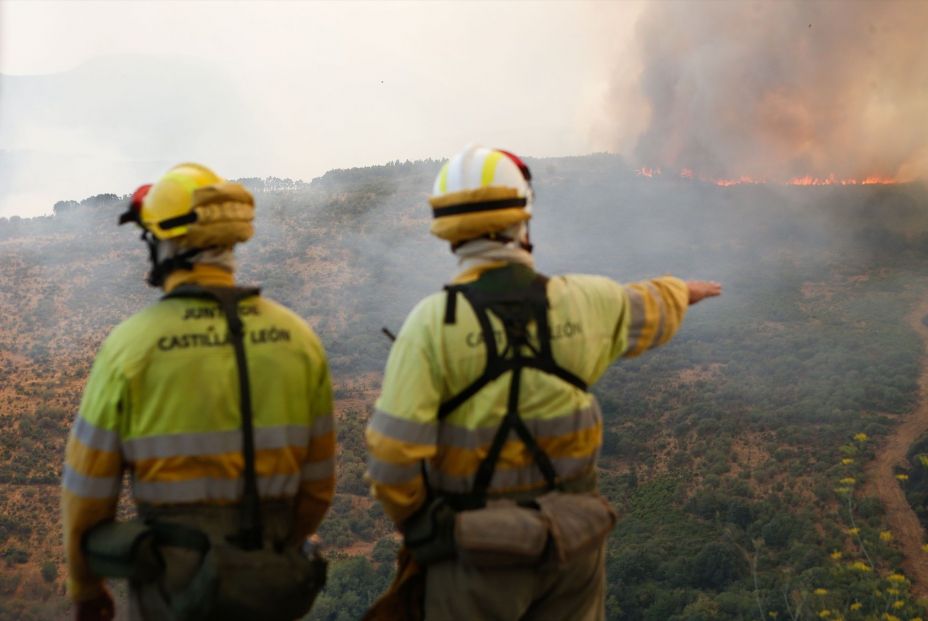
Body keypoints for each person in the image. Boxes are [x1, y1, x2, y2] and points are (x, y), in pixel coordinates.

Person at [364, 146, 721, 621]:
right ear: (522, 217)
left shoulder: (431, 325)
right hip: (573, 545)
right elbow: (646, 304)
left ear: (447, 229)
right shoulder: (584, 302)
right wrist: (683, 291)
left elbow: (392, 458)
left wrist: (421, 526)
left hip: (477, 552)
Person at [61, 163, 335, 621]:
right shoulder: (298, 338)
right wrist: (272, 551)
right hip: (269, 584)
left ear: (164, 243)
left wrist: (86, 586)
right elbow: (318, 487)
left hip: (172, 587)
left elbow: (87, 493)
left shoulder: (131, 347)